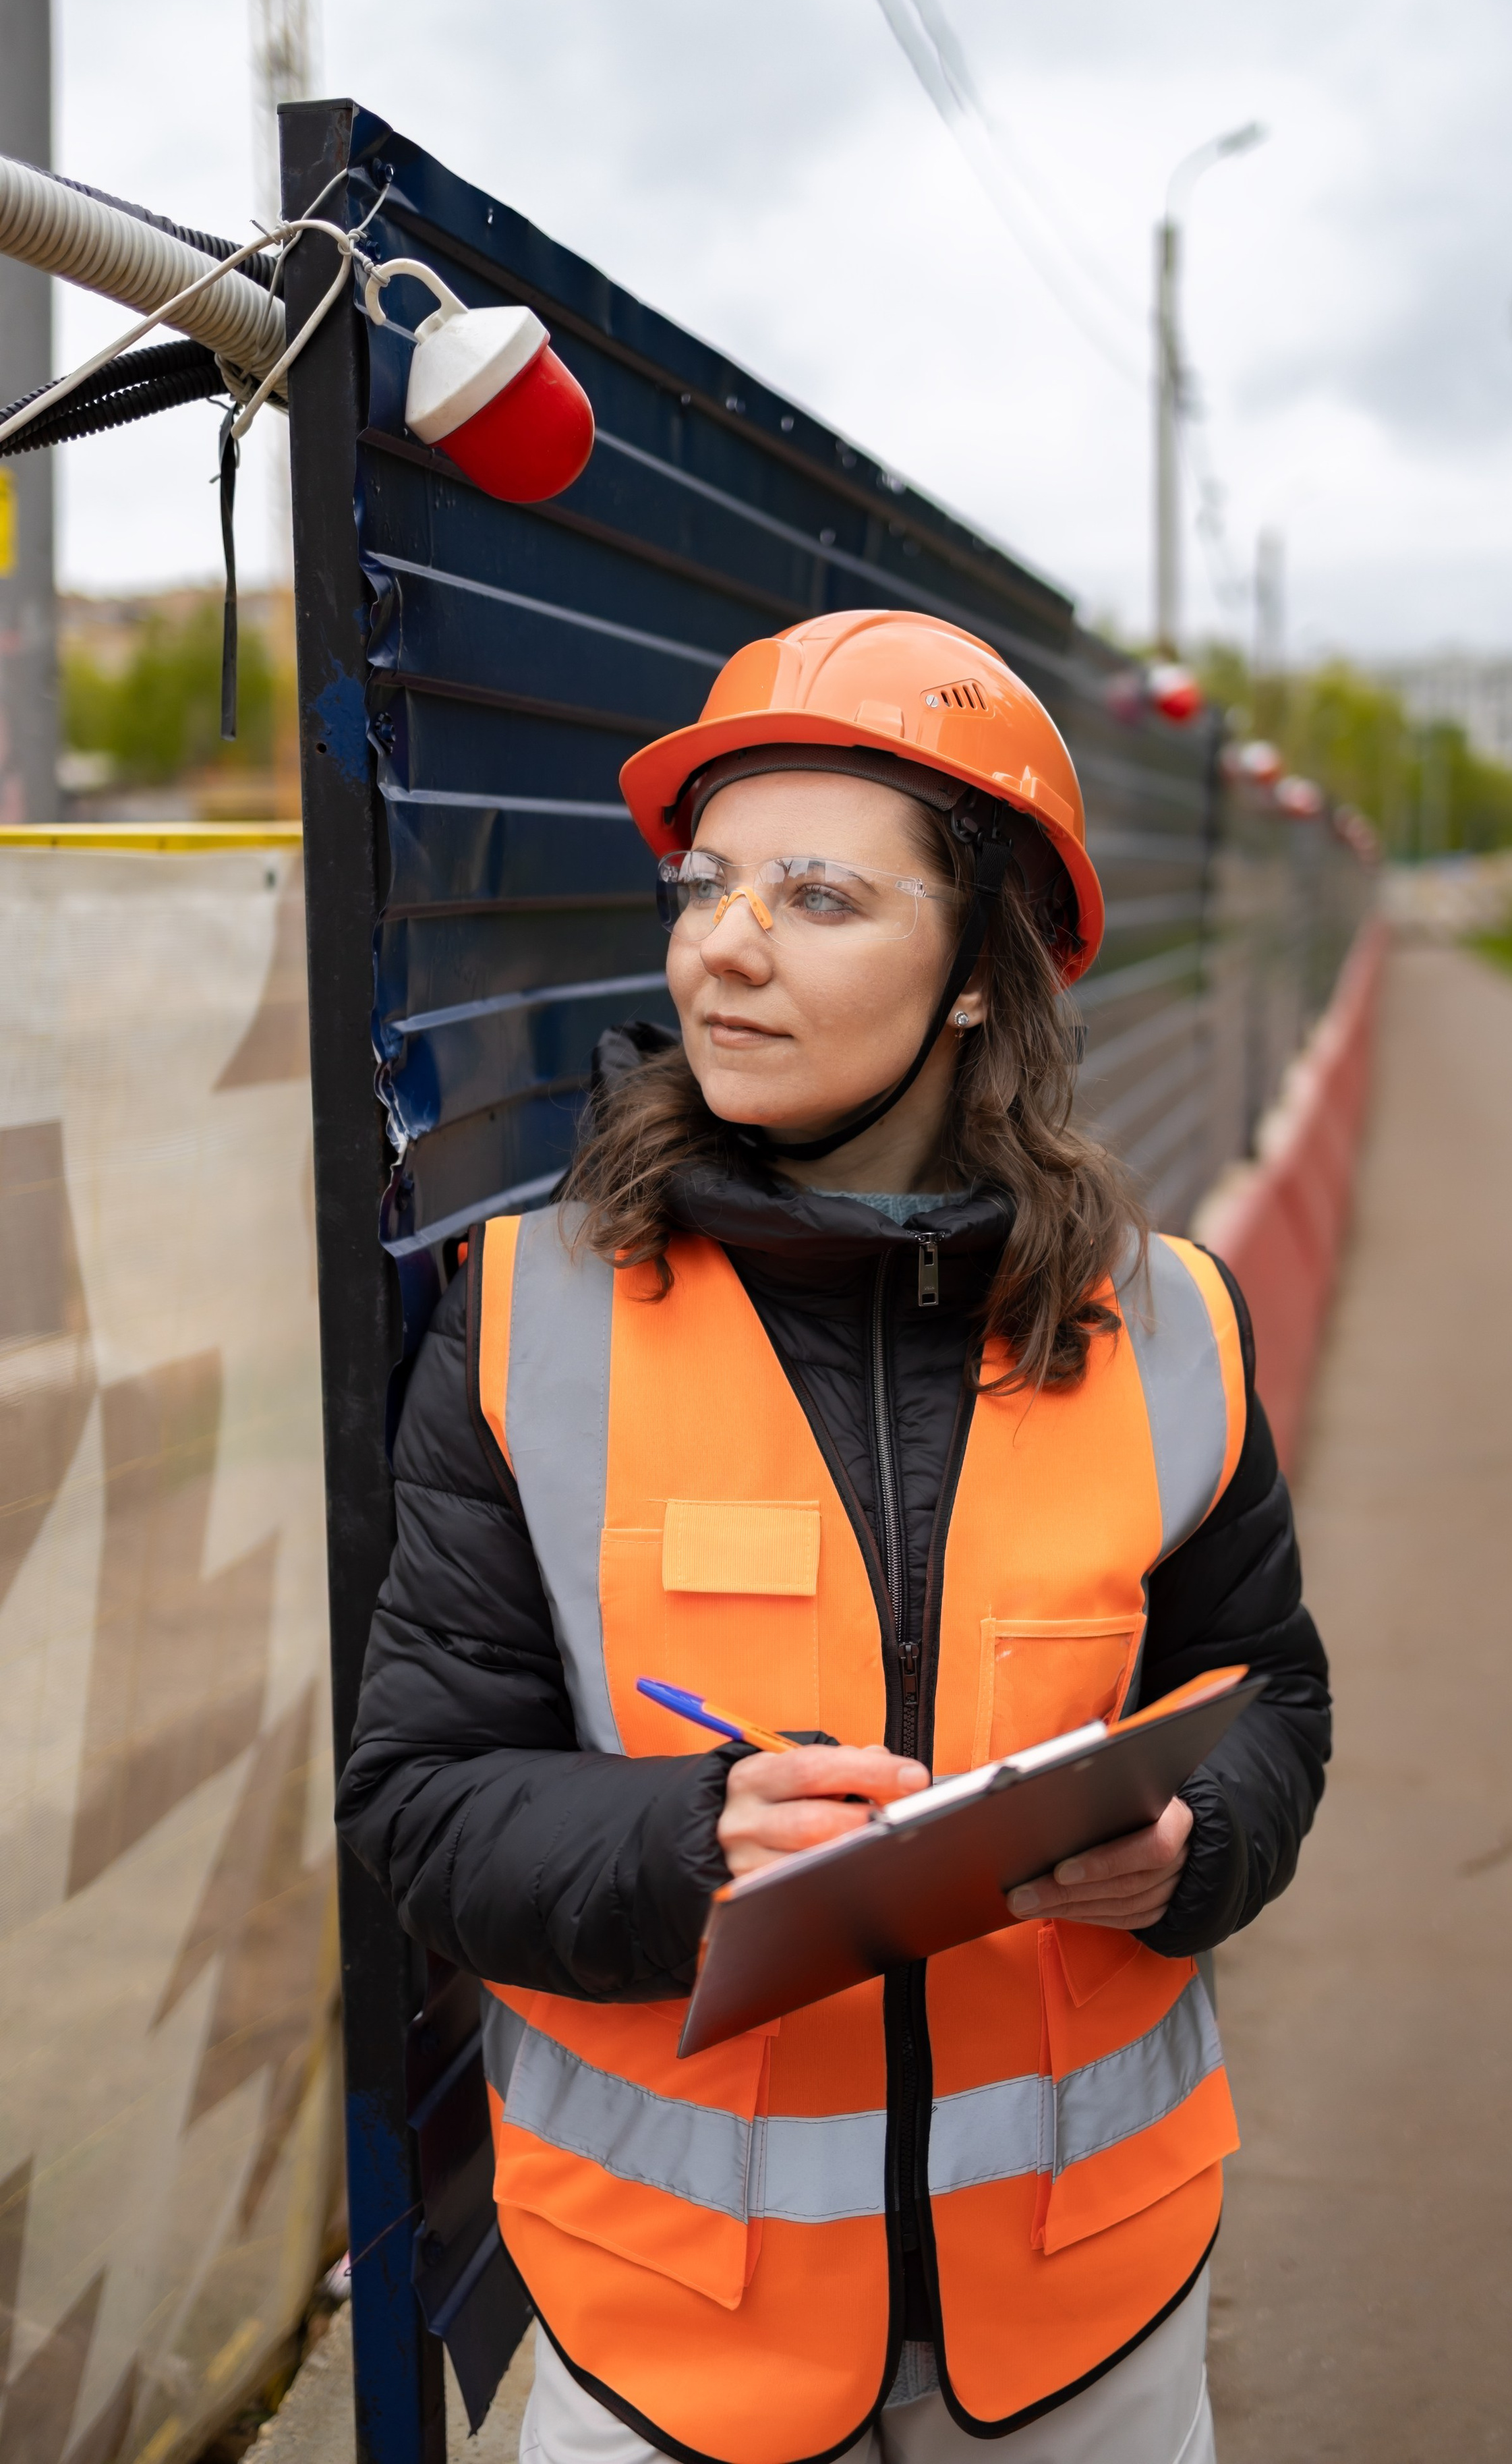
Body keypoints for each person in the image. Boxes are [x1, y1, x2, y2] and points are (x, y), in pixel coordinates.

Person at [337, 609, 1330, 2464]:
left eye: (818, 900)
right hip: (673, 2347)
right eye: (706, 886)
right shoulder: (530, 1318)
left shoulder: (1170, 1320)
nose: (724, 946)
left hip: (1088, 2323)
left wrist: (1196, 1846)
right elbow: (418, 1797)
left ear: (980, 972)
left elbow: (1269, 1695)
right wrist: (690, 1838)